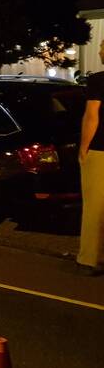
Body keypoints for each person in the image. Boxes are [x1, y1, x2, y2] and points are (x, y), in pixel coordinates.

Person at [78, 38, 104, 276]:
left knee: (94, 207)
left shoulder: (98, 80)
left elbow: (92, 116)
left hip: (100, 150)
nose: (99, 52)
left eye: (102, 48)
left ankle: (90, 258)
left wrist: (83, 147)